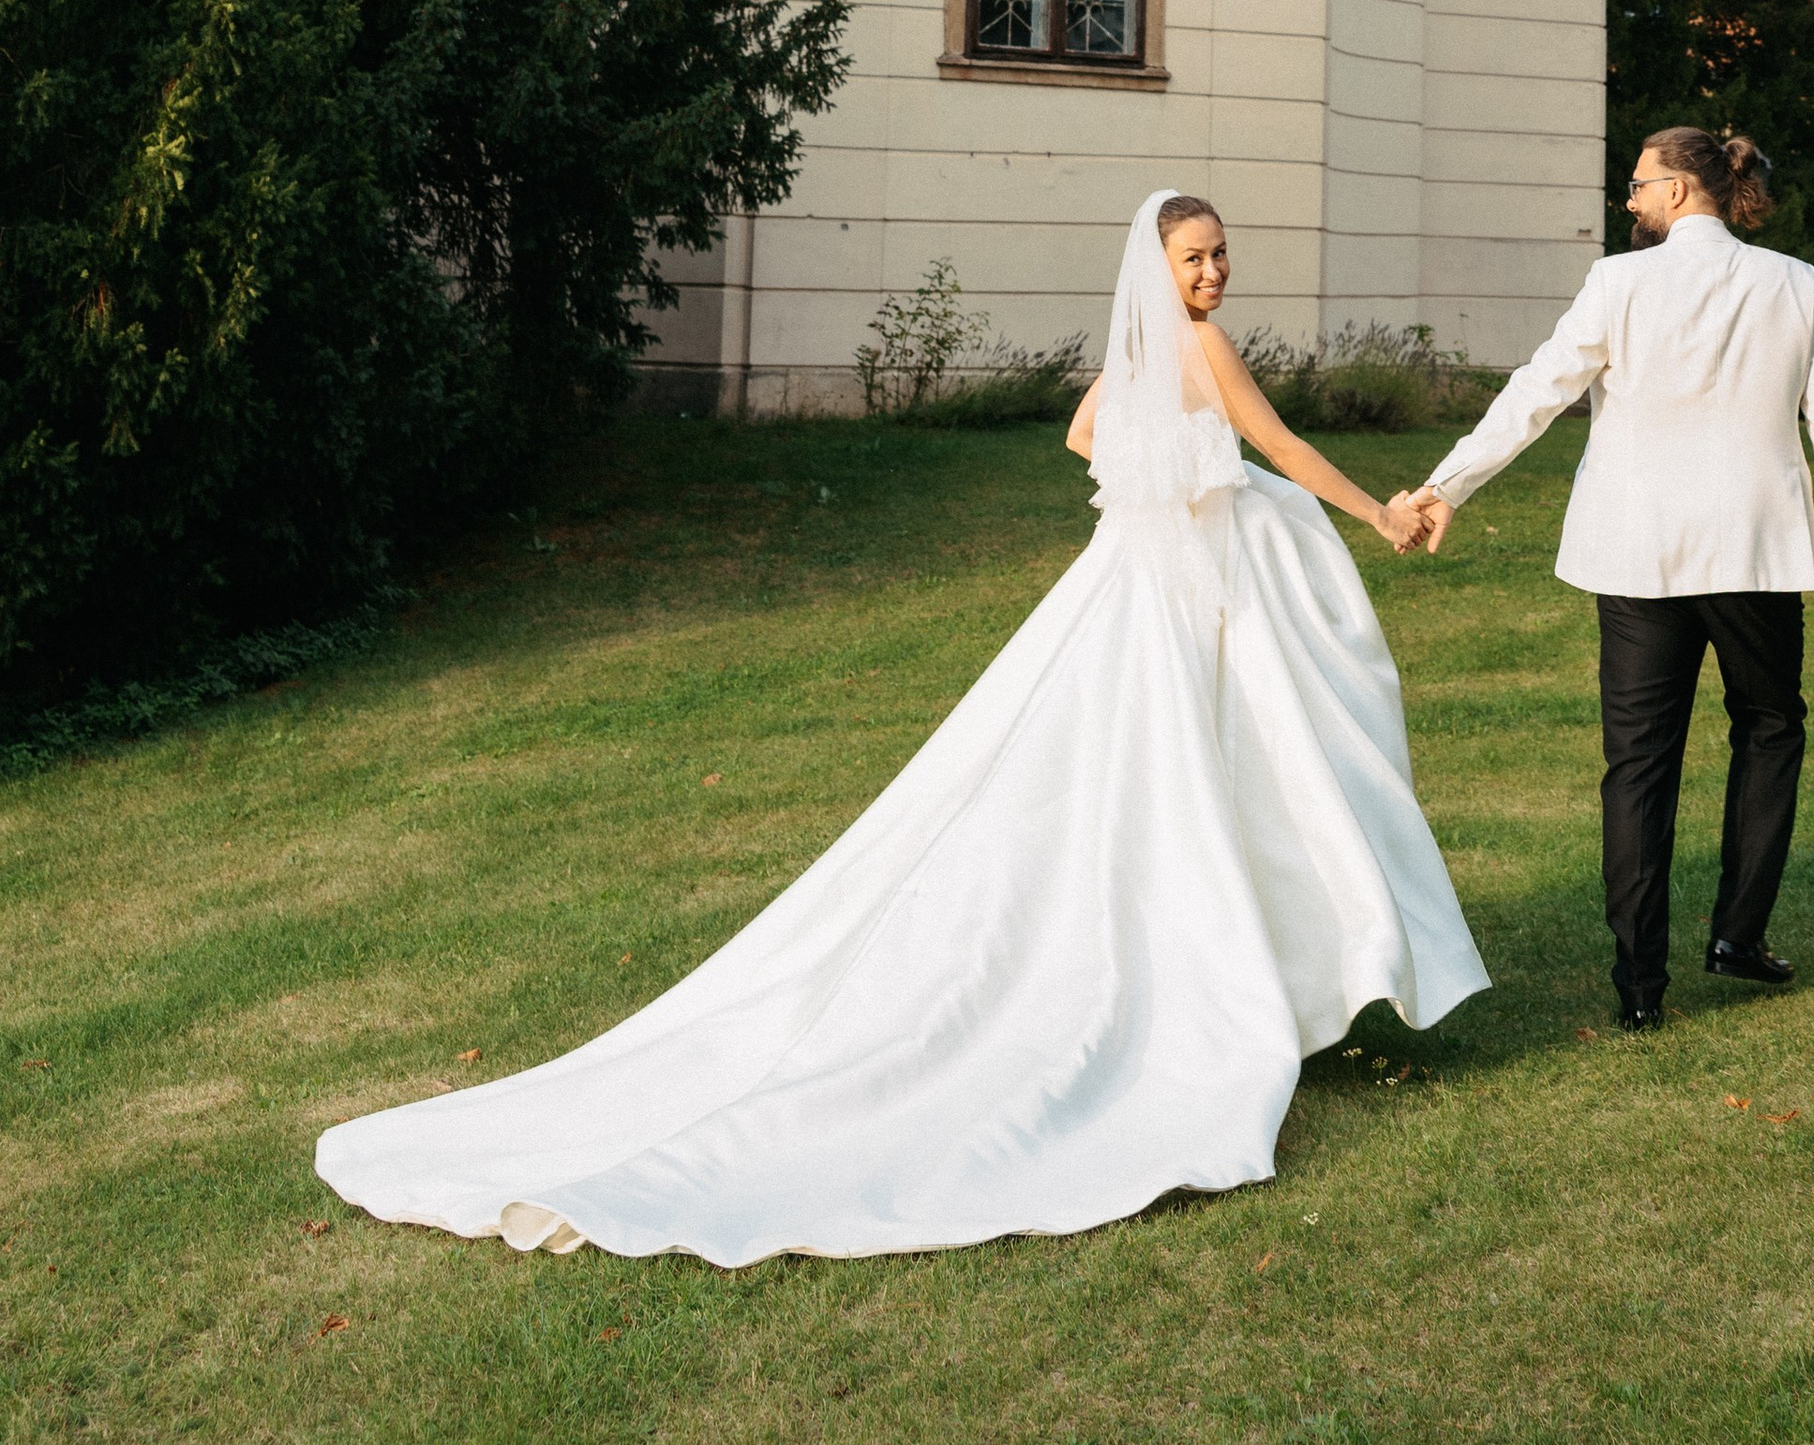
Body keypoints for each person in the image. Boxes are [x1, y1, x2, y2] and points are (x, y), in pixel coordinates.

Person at [316, 193, 1485, 1264]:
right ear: (1158, 266)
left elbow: (1086, 437)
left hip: (1128, 597)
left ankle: (1216, 971)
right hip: (1175, 605)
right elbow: (1274, 447)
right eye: (1195, 257)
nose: (1215, 272)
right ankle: (1215, 986)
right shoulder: (1201, 349)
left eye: (1222, 254)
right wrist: (1371, 509)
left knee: (1124, 790)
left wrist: (1173, 471)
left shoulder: (1134, 354)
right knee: (1207, 784)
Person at [1390, 127, 1814, 1029]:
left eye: (1639, 184)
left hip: (1638, 550)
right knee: (1770, 729)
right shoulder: (1794, 283)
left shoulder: (1621, 283)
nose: (1629, 200)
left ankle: (1641, 989)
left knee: (1639, 766)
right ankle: (1738, 934)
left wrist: (1445, 485)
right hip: (1752, 553)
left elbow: (1537, 391)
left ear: (1683, 191)